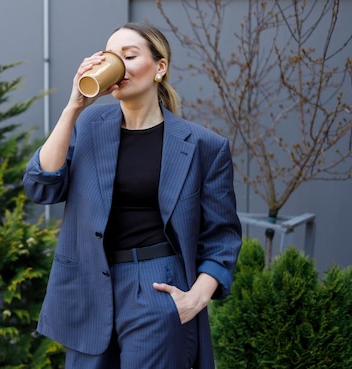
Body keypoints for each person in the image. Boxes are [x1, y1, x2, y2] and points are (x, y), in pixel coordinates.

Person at [23, 22, 242, 369]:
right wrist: (73, 107)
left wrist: (193, 299)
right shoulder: (89, 125)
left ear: (160, 67)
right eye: (113, 57)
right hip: (88, 283)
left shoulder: (203, 146)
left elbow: (222, 237)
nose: (119, 67)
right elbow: (41, 185)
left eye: (129, 56)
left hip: (156, 286)